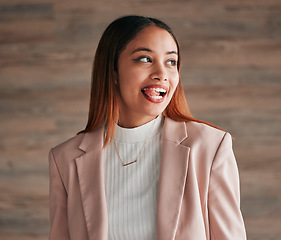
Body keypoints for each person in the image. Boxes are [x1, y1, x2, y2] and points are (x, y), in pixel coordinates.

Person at [49, 15, 247, 240]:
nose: (161, 74)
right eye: (145, 59)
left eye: (171, 62)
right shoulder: (65, 159)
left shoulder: (210, 147)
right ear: (112, 71)